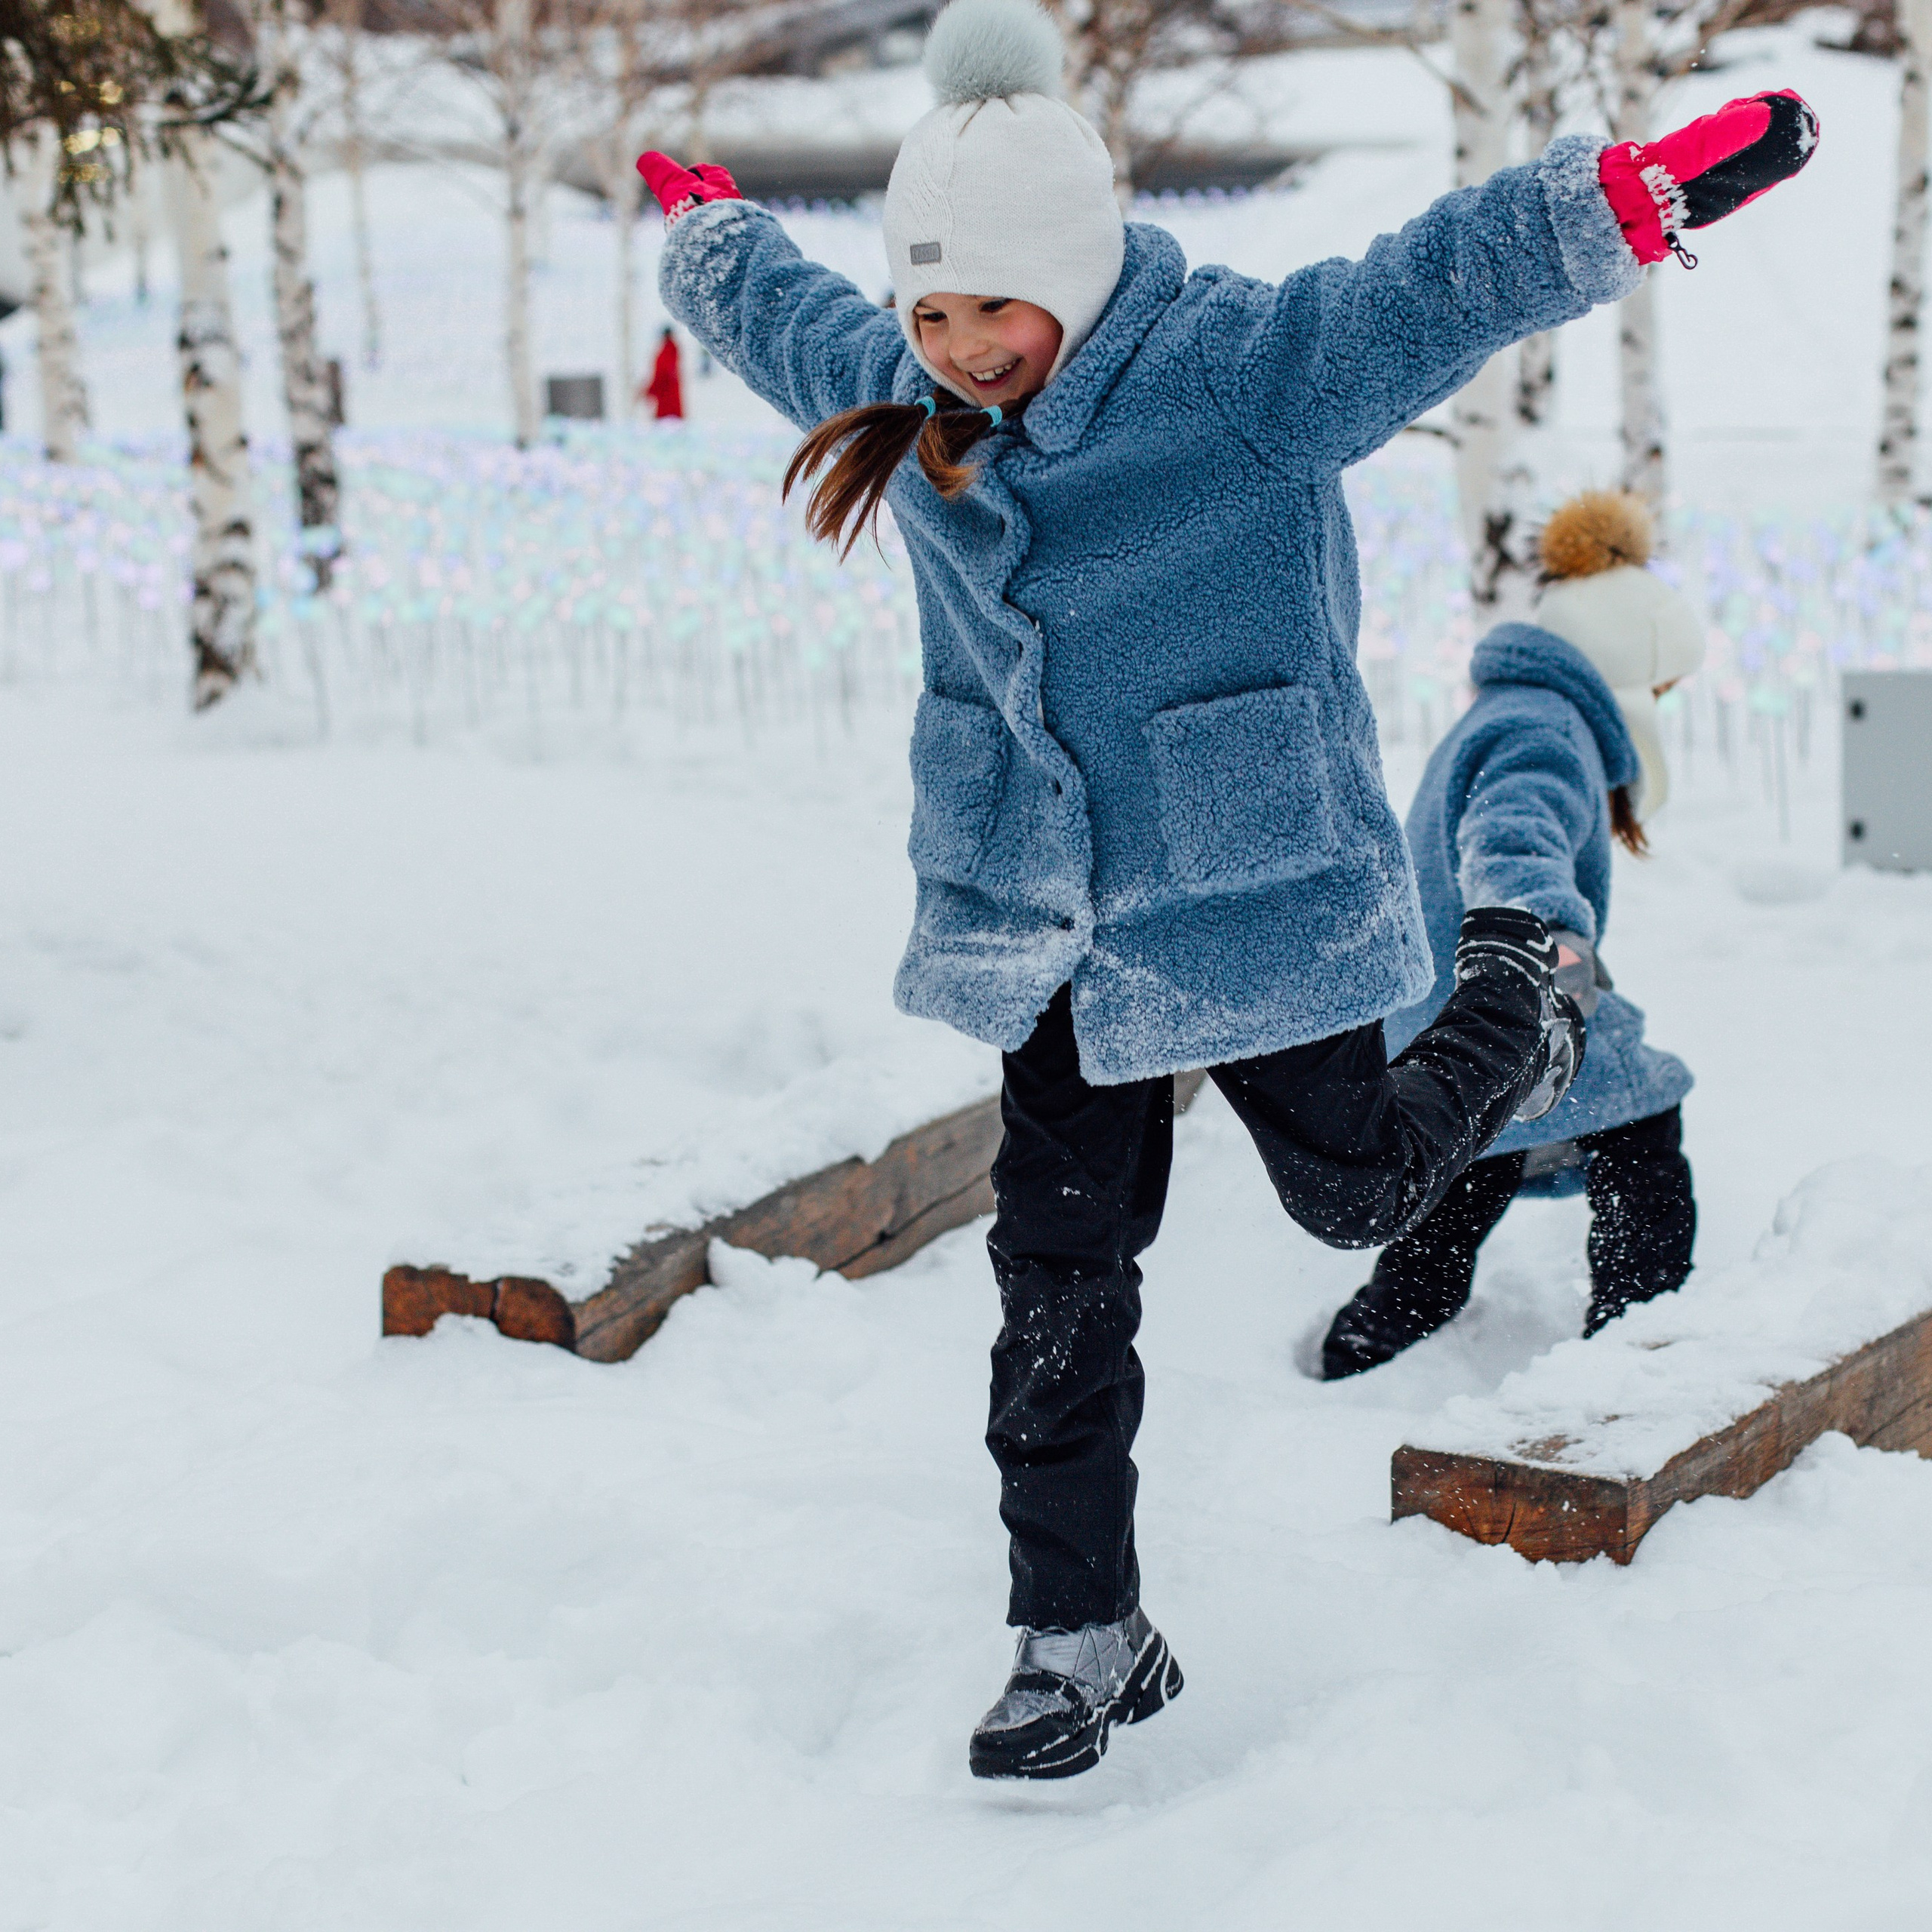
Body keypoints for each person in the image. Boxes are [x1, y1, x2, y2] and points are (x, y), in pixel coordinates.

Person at [636, 0, 1816, 1780]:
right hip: (1043, 926)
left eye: (992, 311)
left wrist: (1620, 203)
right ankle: (1074, 1630)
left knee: (1352, 1191)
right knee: (1054, 1278)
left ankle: (1521, 984)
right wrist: (712, 234)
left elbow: (1425, 289)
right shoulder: (915, 387)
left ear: (1085, 274)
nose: (960, 352)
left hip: (1249, 881)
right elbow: (787, 324)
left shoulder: (1235, 376)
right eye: (930, 313)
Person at [1322, 490, 1706, 1380]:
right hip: (1513, 983)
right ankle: (1641, 1347)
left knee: (1468, 1169)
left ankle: (1371, 1340)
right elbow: (1510, 843)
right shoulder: (1545, 727)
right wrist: (1555, 953)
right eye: (1658, 686)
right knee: (1639, 1126)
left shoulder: (1518, 709)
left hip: (1448, 1002)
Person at [641, 325, 682, 420]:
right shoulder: (670, 350)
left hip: (667, 400)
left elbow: (662, 374)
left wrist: (650, 390)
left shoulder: (668, 351)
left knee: (668, 424)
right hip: (667, 398)